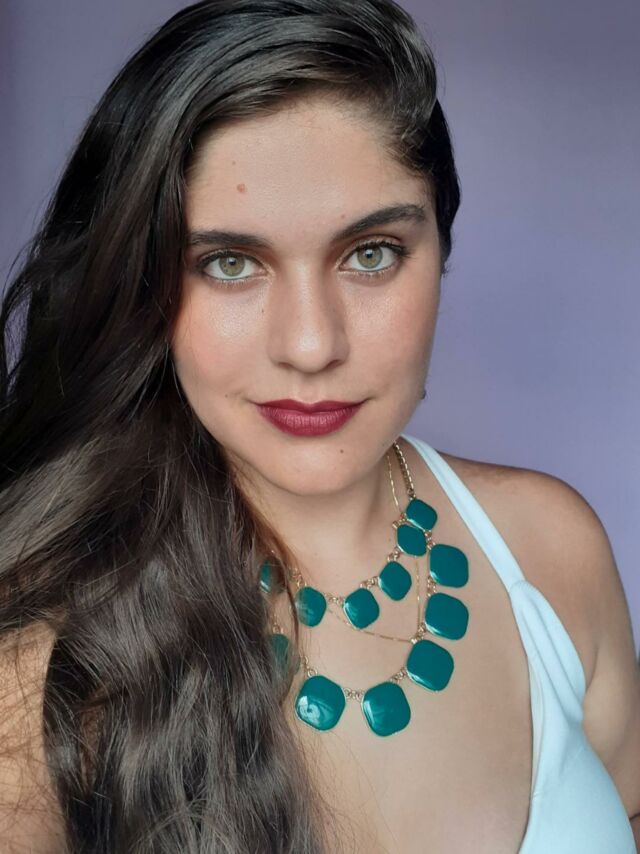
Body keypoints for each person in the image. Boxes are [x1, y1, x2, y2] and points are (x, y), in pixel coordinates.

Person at [1, 0, 638, 852]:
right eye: (230, 263)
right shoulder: (37, 667)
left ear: (440, 253)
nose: (311, 345)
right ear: (142, 285)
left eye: (370, 254)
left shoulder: (554, 550)